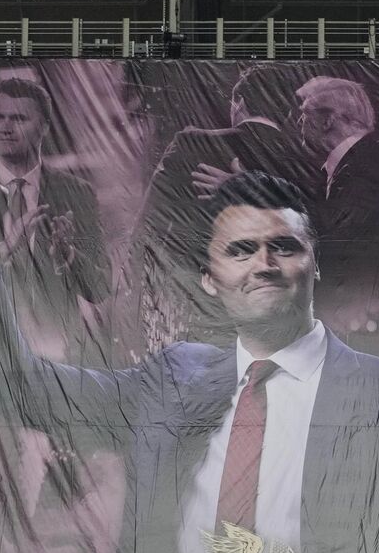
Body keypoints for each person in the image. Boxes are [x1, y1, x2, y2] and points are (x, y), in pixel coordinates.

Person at [0, 166, 379, 553]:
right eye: (241, 250)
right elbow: (15, 390)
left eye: (284, 246)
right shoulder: (171, 381)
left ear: (316, 264)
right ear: (210, 279)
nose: (264, 263)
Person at [135, 64, 321, 346]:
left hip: (197, 301)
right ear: (286, 110)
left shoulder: (191, 144)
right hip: (281, 310)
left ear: (239, 103)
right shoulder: (311, 163)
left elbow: (148, 223)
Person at [0, 75, 114, 359]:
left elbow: (102, 288)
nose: (5, 127)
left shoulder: (76, 194)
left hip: (61, 363)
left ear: (45, 127)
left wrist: (69, 257)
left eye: (19, 118)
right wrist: (3, 254)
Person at [288, 75, 379, 354]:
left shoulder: (369, 165)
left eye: (304, 115)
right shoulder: (360, 161)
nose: (298, 124)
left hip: (359, 327)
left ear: (328, 120)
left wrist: (263, 192)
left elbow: (335, 233)